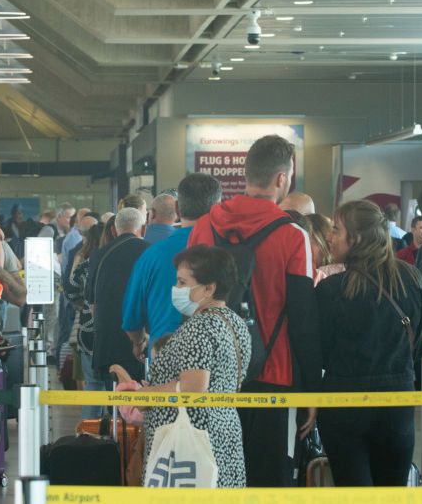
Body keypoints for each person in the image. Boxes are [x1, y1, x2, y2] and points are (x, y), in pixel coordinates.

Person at [188, 134, 319, 487]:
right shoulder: (294, 236)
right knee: (269, 481)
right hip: (273, 376)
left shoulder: (204, 227)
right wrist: (311, 391)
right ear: (282, 178)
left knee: (215, 479)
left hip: (213, 376)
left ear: (246, 173)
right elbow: (304, 321)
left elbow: (188, 303)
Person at [317, 200, 422, 486]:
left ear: (356, 238)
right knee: (392, 491)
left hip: (343, 402)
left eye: (336, 229)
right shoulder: (412, 278)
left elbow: (319, 351)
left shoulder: (331, 289)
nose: (330, 236)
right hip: (398, 401)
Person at [134, 245, 251, 487]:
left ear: (209, 288)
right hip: (224, 433)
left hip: (189, 443)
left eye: (182, 282)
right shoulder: (236, 323)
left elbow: (192, 388)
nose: (176, 289)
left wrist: (147, 395)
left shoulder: (199, 327)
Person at [123, 173, 223, 360]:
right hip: (217, 359)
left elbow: (131, 320)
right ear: (218, 208)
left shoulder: (151, 255)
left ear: (177, 208)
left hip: (164, 357)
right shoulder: (227, 253)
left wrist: (139, 342)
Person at [87, 208, 148, 381]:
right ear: (144, 229)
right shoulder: (151, 253)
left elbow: (93, 305)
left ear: (114, 230)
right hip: (143, 344)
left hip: (108, 345)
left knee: (113, 395)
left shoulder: (98, 256)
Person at [64, 224, 106, 418]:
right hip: (115, 333)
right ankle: (113, 430)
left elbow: (71, 291)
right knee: (115, 385)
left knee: (93, 384)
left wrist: (84, 306)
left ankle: (89, 430)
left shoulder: (84, 264)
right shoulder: (115, 262)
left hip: (87, 331)